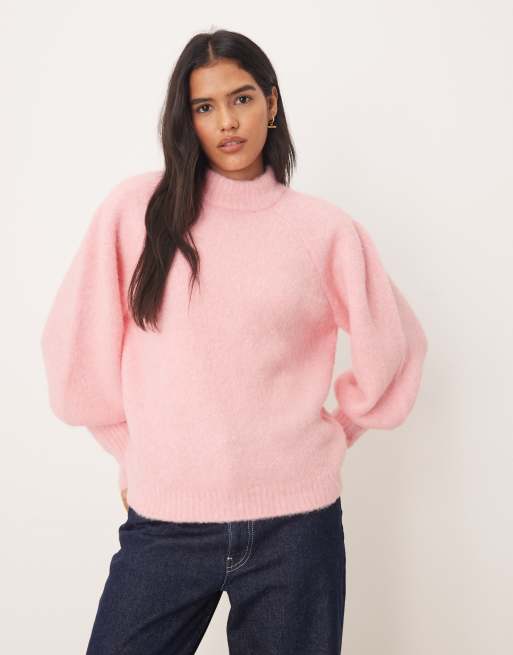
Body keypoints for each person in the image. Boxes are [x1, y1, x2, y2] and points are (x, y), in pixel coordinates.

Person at [40, 28, 428, 655]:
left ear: (271, 103)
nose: (226, 121)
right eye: (205, 106)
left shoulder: (321, 230)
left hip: (296, 529)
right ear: (185, 118)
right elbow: (74, 346)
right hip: (167, 521)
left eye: (241, 98)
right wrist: (130, 452)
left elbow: (398, 345)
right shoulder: (138, 211)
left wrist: (338, 433)